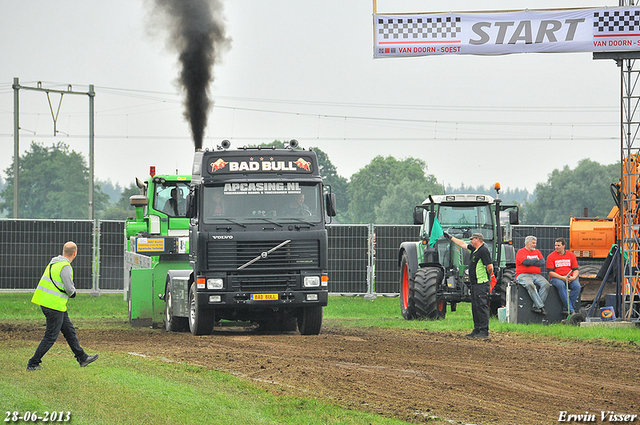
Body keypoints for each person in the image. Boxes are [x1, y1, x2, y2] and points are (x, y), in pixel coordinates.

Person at [27, 242, 98, 371]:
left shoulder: (54, 263)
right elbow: (69, 288)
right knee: (50, 336)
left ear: (63, 251)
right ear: (75, 253)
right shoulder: (65, 266)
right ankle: (33, 363)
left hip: (50, 303)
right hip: (53, 305)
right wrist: (73, 293)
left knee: (69, 331)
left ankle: (82, 358)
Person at [446, 231, 493, 339]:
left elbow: (490, 267)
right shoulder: (474, 249)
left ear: (478, 240)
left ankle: (484, 331)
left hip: (481, 283)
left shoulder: (483, 251)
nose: (470, 241)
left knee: (481, 307)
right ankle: (477, 329)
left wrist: (486, 276)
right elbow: (462, 244)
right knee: (475, 307)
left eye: (472, 239)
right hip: (475, 284)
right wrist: (451, 237)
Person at [516, 235, 551, 315]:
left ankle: (536, 306)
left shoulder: (537, 251)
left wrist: (531, 261)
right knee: (530, 285)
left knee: (546, 285)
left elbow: (542, 262)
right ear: (527, 243)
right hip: (523, 275)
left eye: (535, 243)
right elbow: (526, 263)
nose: (535, 245)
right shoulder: (521, 252)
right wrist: (535, 260)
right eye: (533, 243)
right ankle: (541, 306)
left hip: (536, 275)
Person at [547, 237, 581, 315]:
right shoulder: (551, 256)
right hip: (557, 277)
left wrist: (573, 277)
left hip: (569, 276)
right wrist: (562, 278)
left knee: (577, 287)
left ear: (563, 246)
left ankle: (567, 308)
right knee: (561, 285)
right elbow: (550, 272)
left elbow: (575, 269)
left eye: (558, 245)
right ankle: (571, 310)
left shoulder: (571, 255)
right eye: (555, 245)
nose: (556, 247)